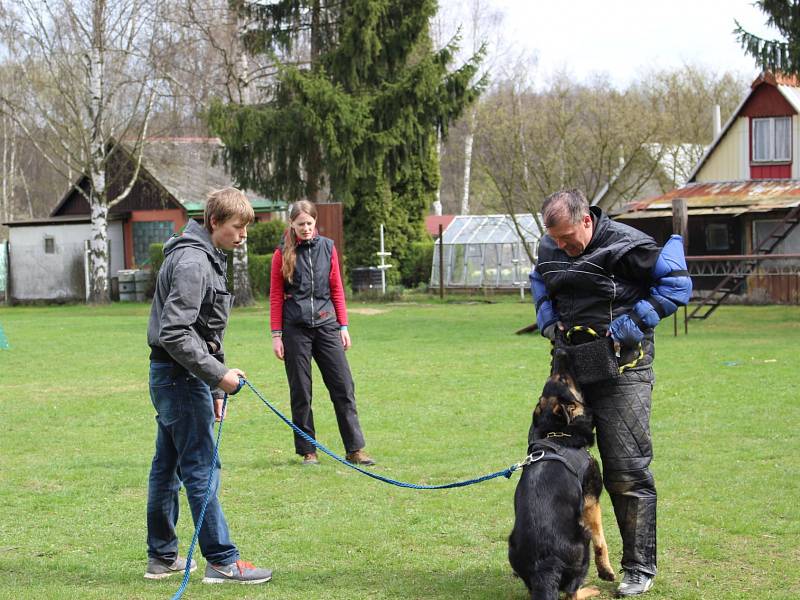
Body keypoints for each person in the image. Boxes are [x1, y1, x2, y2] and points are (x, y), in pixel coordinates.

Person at [529, 189, 692, 597]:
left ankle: (638, 567)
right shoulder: (550, 246)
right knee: (556, 466)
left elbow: (676, 287)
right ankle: (565, 566)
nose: (562, 247)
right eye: (556, 240)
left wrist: (627, 327)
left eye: (568, 238)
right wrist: (549, 323)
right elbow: (539, 282)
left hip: (625, 371)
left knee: (626, 470)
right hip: (569, 372)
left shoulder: (629, 246)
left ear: (587, 220)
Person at [145, 187, 273, 585]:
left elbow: (205, 332)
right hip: (179, 378)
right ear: (214, 222)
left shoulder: (201, 256)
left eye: (247, 228)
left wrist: (216, 387)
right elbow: (175, 332)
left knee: (167, 469)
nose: (244, 235)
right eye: (237, 227)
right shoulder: (192, 262)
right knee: (201, 467)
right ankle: (222, 560)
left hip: (177, 377)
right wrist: (217, 376)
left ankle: (162, 557)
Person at [269, 200, 375, 467]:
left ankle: (355, 449)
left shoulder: (328, 248)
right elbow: (275, 297)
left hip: (327, 326)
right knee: (301, 391)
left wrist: (344, 326)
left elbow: (337, 289)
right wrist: (276, 334)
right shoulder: (282, 253)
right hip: (295, 329)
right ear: (292, 224)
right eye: (300, 223)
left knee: (343, 386)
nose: (305, 228)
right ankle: (308, 451)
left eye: (309, 223)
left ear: (315, 223)